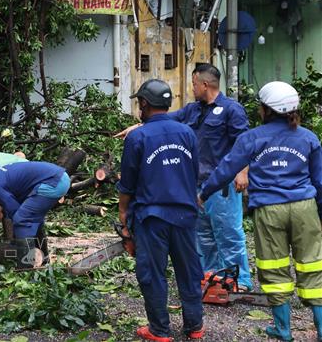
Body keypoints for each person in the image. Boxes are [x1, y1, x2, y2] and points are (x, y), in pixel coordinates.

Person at [199, 81, 322, 342]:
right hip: (304, 208)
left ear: (265, 109)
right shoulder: (309, 138)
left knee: (274, 267)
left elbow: (226, 169)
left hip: (269, 210)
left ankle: (283, 330)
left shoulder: (251, 138)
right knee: (312, 266)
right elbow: (319, 181)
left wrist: (204, 193)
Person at [115, 64, 253, 291]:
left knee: (228, 234)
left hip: (221, 186)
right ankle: (211, 279)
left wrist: (242, 171)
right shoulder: (193, 110)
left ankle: (240, 281)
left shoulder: (231, 109)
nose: (192, 89)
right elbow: (163, 118)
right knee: (203, 238)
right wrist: (138, 127)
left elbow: (244, 143)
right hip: (196, 186)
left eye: (194, 84)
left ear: (205, 84)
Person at [116, 79, 204, 342]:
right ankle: (195, 326)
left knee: (152, 274)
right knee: (188, 270)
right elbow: (194, 172)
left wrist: (123, 215)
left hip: (152, 218)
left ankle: (159, 330)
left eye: (139, 102)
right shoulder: (187, 133)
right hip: (185, 215)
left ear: (144, 103)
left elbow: (128, 182)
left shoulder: (138, 136)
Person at [0, 161, 70, 268]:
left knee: (22, 219)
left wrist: (18, 236)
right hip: (58, 178)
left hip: (53, 182)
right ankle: (44, 258)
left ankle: (25, 267)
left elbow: (13, 207)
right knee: (33, 218)